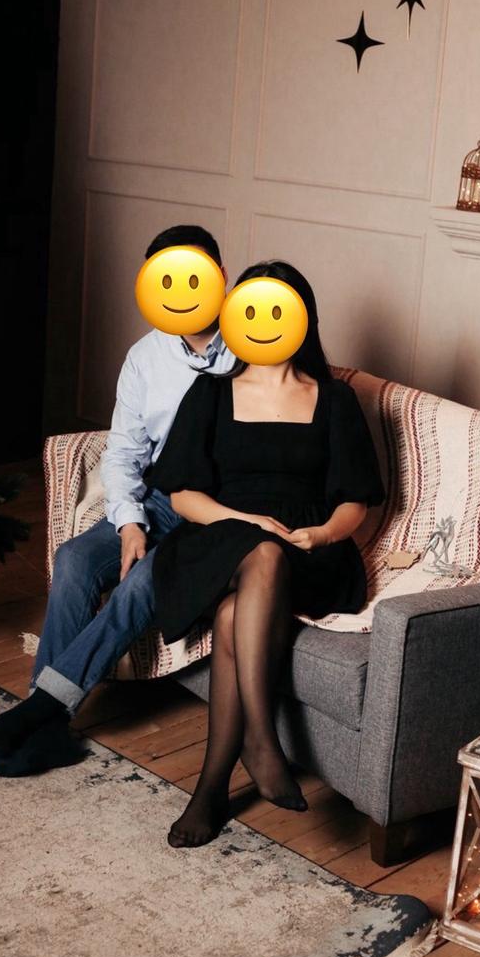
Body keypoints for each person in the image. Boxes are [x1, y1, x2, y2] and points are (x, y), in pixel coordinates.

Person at [0, 225, 236, 776]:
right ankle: (48, 727)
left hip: (218, 511)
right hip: (161, 497)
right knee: (74, 559)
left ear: (221, 278)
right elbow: (122, 454)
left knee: (141, 584)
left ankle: (39, 714)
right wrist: (130, 522)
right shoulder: (145, 356)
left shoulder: (251, 347)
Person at [145, 260, 385, 848]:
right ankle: (260, 739)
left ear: (302, 320)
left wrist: (323, 534)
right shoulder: (211, 392)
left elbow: (354, 501)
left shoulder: (334, 399)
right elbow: (182, 495)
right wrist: (246, 521)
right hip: (222, 538)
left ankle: (210, 788)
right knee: (261, 553)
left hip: (309, 549)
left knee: (239, 608)